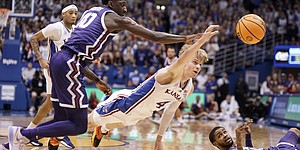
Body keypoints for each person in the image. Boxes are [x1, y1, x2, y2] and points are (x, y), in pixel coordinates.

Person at [8, 0, 207, 149]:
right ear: (111, 3)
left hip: (63, 60)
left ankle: (13, 143)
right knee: (78, 125)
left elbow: (84, 45)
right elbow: (154, 36)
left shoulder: (92, 11)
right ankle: (23, 134)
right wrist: (186, 38)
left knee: (62, 118)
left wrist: (97, 79)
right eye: (122, 3)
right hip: (71, 63)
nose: (126, 7)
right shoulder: (114, 18)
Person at [88, 25, 219, 149]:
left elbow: (170, 111)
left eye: (200, 65)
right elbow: (180, 60)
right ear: (185, 60)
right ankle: (69, 130)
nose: (198, 67)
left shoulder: (188, 88)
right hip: (125, 103)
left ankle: (102, 129)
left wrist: (159, 138)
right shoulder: (170, 73)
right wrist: (202, 40)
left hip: (142, 113)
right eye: (195, 62)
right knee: (85, 124)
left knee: (123, 122)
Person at [1, 4, 79, 150]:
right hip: (54, 70)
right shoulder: (56, 27)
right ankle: (60, 135)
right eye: (70, 13)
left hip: (63, 72)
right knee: (64, 103)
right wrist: (40, 59)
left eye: (75, 13)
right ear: (63, 14)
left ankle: (28, 134)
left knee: (50, 103)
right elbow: (34, 39)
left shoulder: (74, 31)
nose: (74, 16)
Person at [209, 121, 300, 150]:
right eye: (220, 135)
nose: (224, 135)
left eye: (224, 132)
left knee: (294, 131)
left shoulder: (234, 147)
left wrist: (248, 135)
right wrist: (239, 141)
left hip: (276, 148)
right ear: (215, 144)